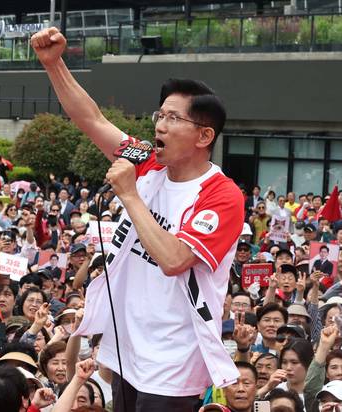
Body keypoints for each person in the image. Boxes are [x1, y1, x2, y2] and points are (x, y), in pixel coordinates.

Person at [32, 27, 244, 410]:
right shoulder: (145, 160)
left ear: (204, 135)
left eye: (173, 118)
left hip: (172, 364)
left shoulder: (222, 195)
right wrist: (54, 64)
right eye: (159, 114)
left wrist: (129, 194)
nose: (159, 125)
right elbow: (91, 118)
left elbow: (175, 259)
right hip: (124, 351)